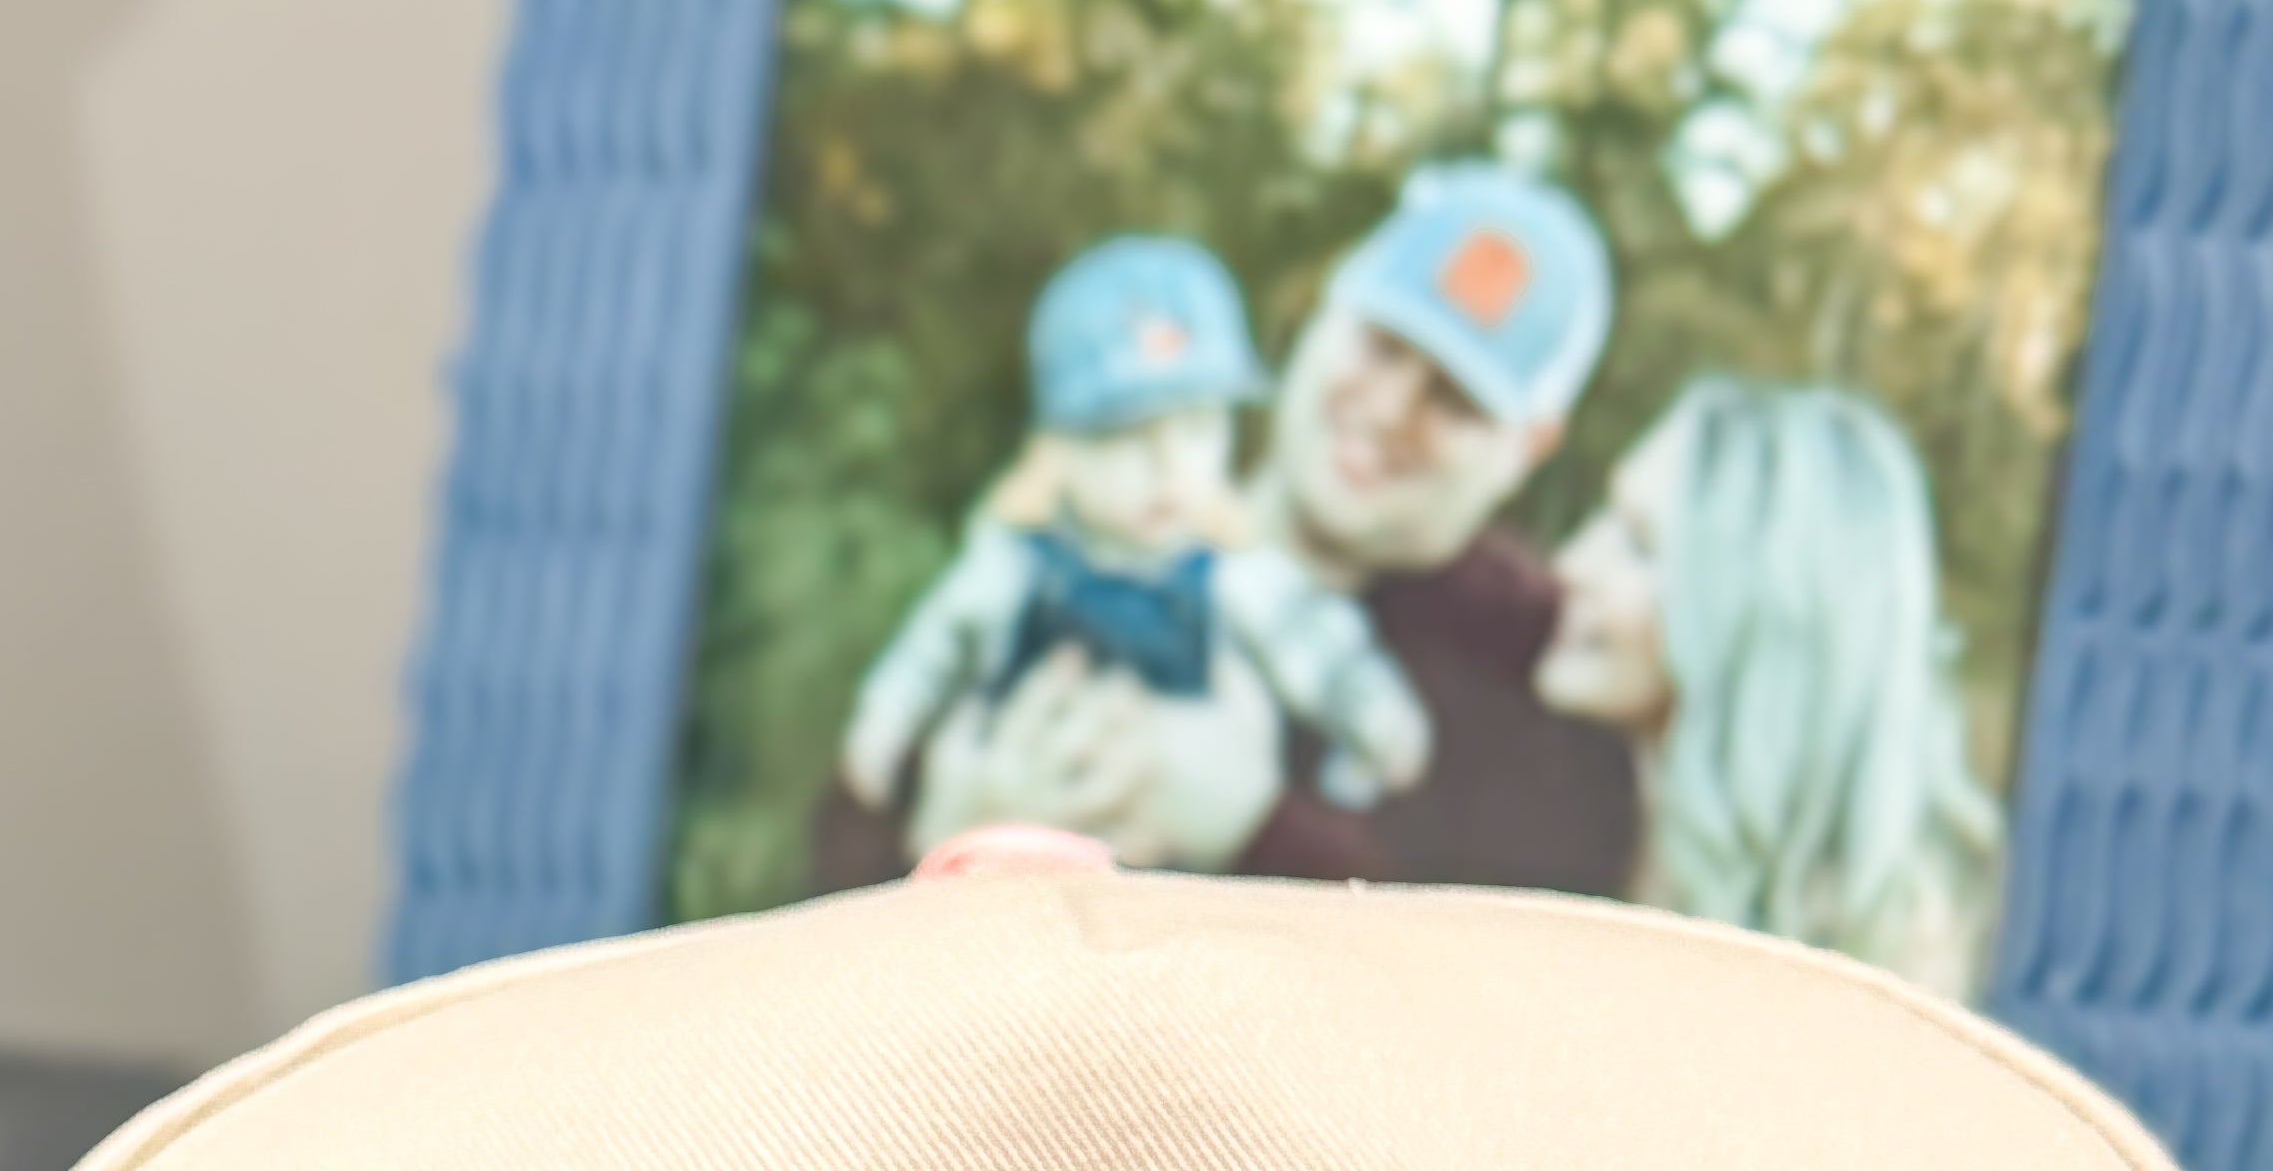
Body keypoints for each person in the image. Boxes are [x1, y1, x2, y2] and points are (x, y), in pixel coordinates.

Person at [822, 165, 1633, 891]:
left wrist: (1257, 826)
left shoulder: (1541, 686)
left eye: (1455, 399)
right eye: (1382, 346)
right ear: (1323, 311)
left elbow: (1471, 989)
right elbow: (822, 879)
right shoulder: (1069, 532)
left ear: (1529, 447)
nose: (1388, 409)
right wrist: (934, 839)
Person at [828, 238, 1432, 864]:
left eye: (1197, 427)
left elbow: (1316, 646)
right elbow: (931, 650)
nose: (1169, 468)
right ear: (1058, 448)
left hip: (1177, 859)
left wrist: (1374, 719)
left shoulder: (1230, 574)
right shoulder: (1013, 564)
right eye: (1127, 437)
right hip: (1028, 840)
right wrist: (883, 727)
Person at [1533, 375, 1997, 990]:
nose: (1571, 564)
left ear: (1756, 619)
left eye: (1639, 546)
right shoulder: (1565, 812)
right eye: (1604, 516)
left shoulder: (1879, 958)